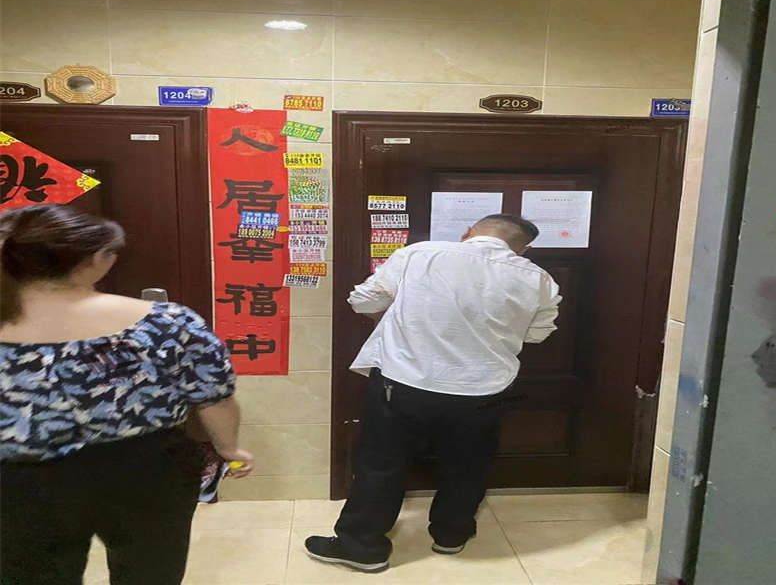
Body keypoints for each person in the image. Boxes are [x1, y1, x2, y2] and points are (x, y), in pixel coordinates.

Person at [0, 205, 254, 585]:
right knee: (150, 574)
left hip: (17, 479)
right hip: (147, 471)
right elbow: (214, 397)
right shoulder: (168, 322)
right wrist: (229, 449)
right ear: (92, 260)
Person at [305, 213, 561, 572]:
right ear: (522, 249)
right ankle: (451, 535)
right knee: (468, 465)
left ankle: (361, 547)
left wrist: (397, 315)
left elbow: (363, 300)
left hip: (405, 382)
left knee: (381, 463)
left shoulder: (421, 253)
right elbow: (537, 333)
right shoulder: (538, 279)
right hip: (483, 390)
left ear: (467, 233)